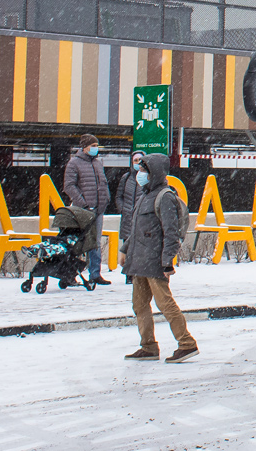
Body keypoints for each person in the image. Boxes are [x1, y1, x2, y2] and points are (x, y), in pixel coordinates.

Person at [119, 153, 198, 364]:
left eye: (144, 170)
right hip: (139, 261)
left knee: (165, 304)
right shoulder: (144, 196)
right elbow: (136, 229)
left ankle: (186, 344)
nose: (140, 174)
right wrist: (125, 250)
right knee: (139, 305)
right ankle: (148, 346)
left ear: (154, 172)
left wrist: (167, 261)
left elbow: (170, 233)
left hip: (154, 262)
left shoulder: (165, 197)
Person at [63, 134, 112, 285]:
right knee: (77, 243)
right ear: (84, 147)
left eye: (96, 145)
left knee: (95, 242)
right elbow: (69, 186)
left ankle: (95, 274)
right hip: (83, 211)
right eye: (93, 145)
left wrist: (105, 198)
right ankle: (68, 275)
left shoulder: (98, 163)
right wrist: (83, 204)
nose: (95, 148)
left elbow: (103, 183)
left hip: (98, 209)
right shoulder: (74, 163)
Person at [115, 150, 145, 285]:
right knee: (127, 248)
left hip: (141, 218)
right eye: (135, 160)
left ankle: (138, 273)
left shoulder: (147, 177)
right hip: (127, 218)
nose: (138, 163)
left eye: (140, 160)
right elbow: (119, 196)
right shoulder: (126, 178)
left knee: (139, 247)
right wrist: (123, 209)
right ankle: (128, 274)